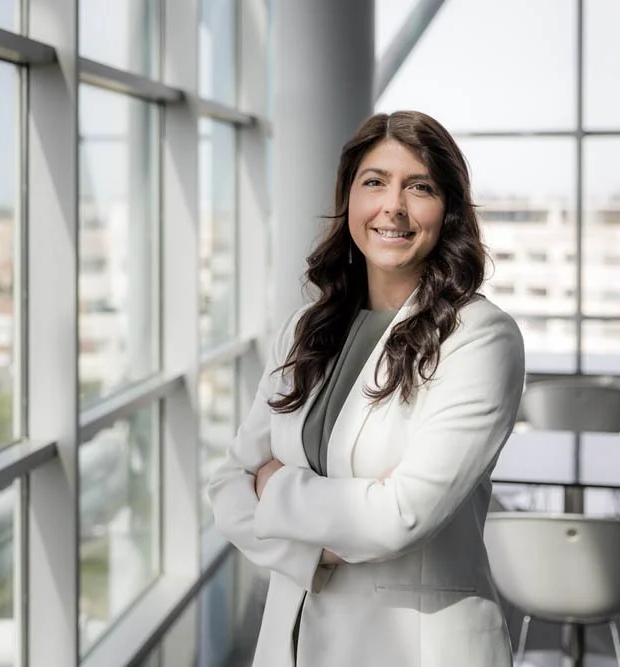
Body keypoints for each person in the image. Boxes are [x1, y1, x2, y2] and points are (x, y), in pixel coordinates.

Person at [207, 110, 525, 666]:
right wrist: (316, 552)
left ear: (447, 208)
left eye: (419, 187)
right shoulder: (307, 327)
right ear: (349, 198)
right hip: (291, 642)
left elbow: (399, 516)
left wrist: (275, 487)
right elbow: (228, 487)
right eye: (374, 182)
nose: (393, 206)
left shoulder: (480, 337)